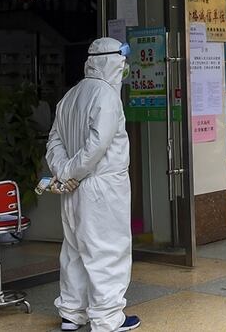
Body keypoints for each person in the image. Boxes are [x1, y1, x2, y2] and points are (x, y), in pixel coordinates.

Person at [45, 38, 140, 332]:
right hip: (102, 188)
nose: (124, 70)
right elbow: (97, 145)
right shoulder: (107, 96)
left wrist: (63, 172)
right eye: (122, 64)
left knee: (74, 251)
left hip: (74, 189)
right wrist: (73, 171)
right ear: (111, 63)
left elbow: (54, 141)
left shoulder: (71, 95)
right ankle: (107, 318)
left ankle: (72, 314)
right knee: (107, 251)